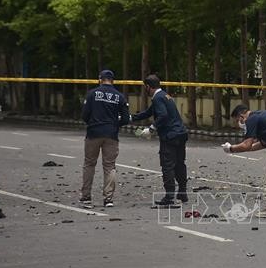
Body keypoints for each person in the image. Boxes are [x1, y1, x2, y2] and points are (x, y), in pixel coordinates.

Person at [133, 74, 188, 207]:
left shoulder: (157, 98)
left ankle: (169, 197)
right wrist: (130, 117)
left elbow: (163, 115)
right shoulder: (165, 96)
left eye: (145, 87)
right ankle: (182, 193)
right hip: (181, 133)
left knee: (167, 165)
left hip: (170, 136)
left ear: (148, 86)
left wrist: (151, 129)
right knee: (180, 164)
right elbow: (148, 112)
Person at [80, 69, 130, 209]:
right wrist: (114, 124)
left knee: (89, 164)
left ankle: (86, 197)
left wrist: (92, 122)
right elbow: (126, 119)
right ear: (112, 80)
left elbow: (84, 115)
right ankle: (108, 199)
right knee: (109, 166)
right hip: (111, 135)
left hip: (93, 133)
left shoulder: (92, 94)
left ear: (100, 79)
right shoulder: (119, 96)